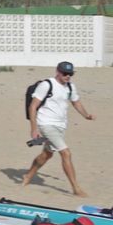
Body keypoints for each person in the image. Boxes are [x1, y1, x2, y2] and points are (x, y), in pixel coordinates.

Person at [23, 61, 94, 196]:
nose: (67, 76)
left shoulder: (70, 87)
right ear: (58, 71)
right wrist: (33, 128)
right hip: (46, 124)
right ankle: (76, 188)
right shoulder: (46, 85)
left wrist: (86, 115)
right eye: (65, 73)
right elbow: (32, 106)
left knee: (47, 154)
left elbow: (76, 102)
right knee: (66, 153)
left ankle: (28, 176)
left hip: (61, 125)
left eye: (70, 74)